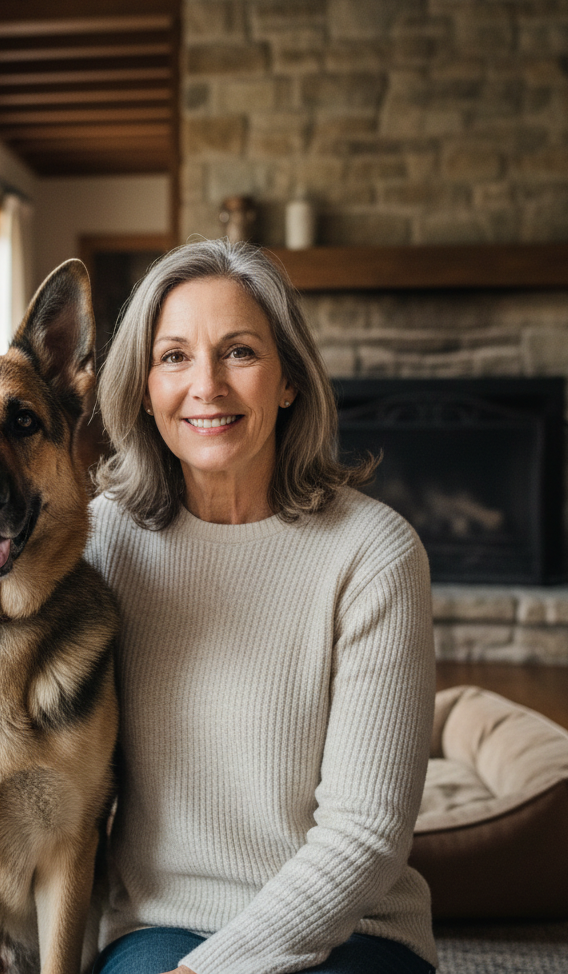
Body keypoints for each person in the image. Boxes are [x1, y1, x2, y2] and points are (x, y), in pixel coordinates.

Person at [84, 239, 436, 974]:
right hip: (164, 923)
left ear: (287, 380)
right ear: (144, 388)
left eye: (239, 352)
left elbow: (366, 832)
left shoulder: (375, 552)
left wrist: (210, 972)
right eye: (174, 357)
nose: (205, 386)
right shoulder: (103, 542)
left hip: (351, 927)